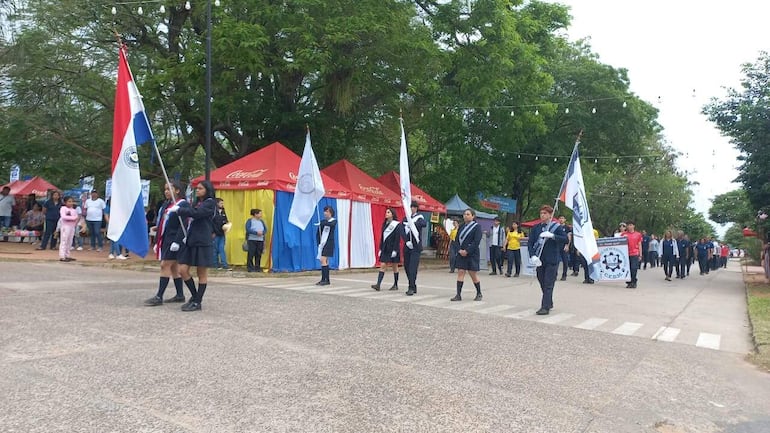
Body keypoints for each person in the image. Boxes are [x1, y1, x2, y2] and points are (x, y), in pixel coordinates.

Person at [169, 181, 217, 312]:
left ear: (207, 189)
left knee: (201, 272)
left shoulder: (210, 203)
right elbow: (191, 214)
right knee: (182, 270)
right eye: (197, 188)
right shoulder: (197, 203)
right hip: (191, 240)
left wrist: (180, 210)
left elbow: (197, 213)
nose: (198, 190)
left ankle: (197, 302)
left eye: (201, 188)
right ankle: (196, 297)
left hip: (202, 241)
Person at [144, 181, 189, 306]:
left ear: (177, 191)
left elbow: (184, 224)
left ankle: (159, 296)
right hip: (165, 238)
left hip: (174, 239)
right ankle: (180, 294)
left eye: (169, 189)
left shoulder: (183, 204)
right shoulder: (166, 204)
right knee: (174, 267)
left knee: (165, 265)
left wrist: (177, 241)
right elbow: (165, 221)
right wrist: (158, 229)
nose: (166, 192)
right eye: (165, 189)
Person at [528, 205, 568, 315]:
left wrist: (553, 236)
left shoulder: (556, 227)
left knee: (548, 283)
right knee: (541, 282)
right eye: (541, 213)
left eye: (545, 213)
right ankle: (549, 302)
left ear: (550, 215)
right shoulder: (536, 228)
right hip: (539, 260)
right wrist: (532, 255)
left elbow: (565, 239)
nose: (542, 215)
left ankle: (545, 307)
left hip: (552, 259)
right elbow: (530, 243)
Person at [450, 208, 483, 301]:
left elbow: (476, 241)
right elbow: (456, 240)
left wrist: (467, 251)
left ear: (473, 216)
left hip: (472, 254)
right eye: (465, 214)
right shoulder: (461, 226)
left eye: (468, 214)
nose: (466, 216)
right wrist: (459, 250)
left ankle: (479, 293)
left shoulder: (477, 227)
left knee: (472, 273)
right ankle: (458, 295)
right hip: (461, 253)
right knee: (460, 272)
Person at [371, 208, 401, 291]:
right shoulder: (385, 224)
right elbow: (382, 237)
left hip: (393, 248)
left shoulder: (397, 224)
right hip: (385, 248)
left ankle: (395, 284)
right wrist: (380, 248)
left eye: (388, 212)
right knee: (383, 265)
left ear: (392, 214)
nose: (386, 213)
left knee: (395, 266)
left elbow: (397, 238)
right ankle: (378, 284)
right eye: (386, 212)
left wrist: (395, 250)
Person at [402, 201, 427, 295]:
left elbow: (423, 224)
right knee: (406, 266)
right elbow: (402, 229)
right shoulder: (406, 218)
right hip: (408, 245)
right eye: (410, 207)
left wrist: (413, 224)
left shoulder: (419, 217)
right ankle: (412, 284)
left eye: (413, 207)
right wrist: (406, 240)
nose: (411, 209)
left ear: (416, 208)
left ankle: (411, 287)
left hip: (416, 246)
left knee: (413, 267)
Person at [316, 205, 337, 286]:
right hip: (322, 243)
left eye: (327, 211)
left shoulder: (333, 221)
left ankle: (324, 279)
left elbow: (331, 224)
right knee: (324, 261)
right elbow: (319, 232)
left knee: (323, 260)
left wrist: (322, 223)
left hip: (329, 243)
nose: (325, 213)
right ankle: (325, 279)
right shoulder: (323, 222)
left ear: (331, 213)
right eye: (325, 211)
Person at [621, 221, 643, 288]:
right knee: (628, 268)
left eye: (631, 225)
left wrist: (640, 254)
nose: (629, 227)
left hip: (635, 253)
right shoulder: (624, 234)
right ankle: (629, 282)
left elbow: (639, 244)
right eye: (628, 225)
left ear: (633, 226)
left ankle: (634, 281)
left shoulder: (638, 234)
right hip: (626, 253)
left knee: (634, 268)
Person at [57, 196, 79, 262]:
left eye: (72, 201)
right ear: (65, 202)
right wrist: (73, 218)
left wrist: (74, 219)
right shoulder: (63, 208)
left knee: (70, 241)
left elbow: (77, 217)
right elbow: (64, 217)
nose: (71, 203)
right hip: (65, 226)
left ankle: (67, 255)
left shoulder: (74, 210)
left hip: (72, 226)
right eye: (69, 201)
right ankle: (62, 256)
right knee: (64, 241)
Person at [245, 208, 267, 272]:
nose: (261, 215)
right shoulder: (250, 221)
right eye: (260, 213)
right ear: (255, 214)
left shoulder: (261, 221)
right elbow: (248, 229)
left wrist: (262, 233)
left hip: (260, 240)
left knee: (258, 254)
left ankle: (257, 267)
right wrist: (256, 233)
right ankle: (250, 267)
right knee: (251, 253)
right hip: (252, 240)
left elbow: (265, 229)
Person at [212, 198, 230, 270]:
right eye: (221, 203)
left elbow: (226, 220)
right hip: (215, 234)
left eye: (223, 203)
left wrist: (227, 225)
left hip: (222, 233)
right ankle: (215, 264)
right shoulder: (213, 212)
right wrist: (212, 232)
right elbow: (211, 223)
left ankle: (224, 264)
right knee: (215, 250)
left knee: (221, 249)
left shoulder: (223, 211)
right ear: (217, 203)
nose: (222, 205)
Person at [557, 215, 571, 281]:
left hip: (564, 245)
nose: (561, 219)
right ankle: (554, 275)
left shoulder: (567, 227)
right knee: (556, 261)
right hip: (557, 246)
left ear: (565, 219)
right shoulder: (556, 227)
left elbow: (569, 236)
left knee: (565, 261)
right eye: (560, 218)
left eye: (562, 218)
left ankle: (564, 275)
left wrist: (567, 245)